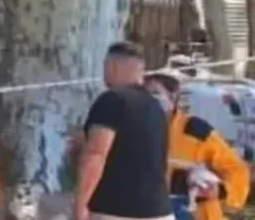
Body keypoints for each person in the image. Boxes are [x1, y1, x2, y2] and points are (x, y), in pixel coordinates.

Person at [75, 41, 171, 220]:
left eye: (105, 65)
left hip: (115, 211)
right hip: (159, 211)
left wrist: (80, 206)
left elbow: (95, 155)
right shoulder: (156, 108)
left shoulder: (112, 100)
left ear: (113, 66)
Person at [144, 70, 248, 220]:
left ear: (173, 97)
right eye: (144, 94)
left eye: (155, 93)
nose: (148, 99)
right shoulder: (132, 130)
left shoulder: (196, 131)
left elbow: (236, 169)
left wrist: (220, 190)